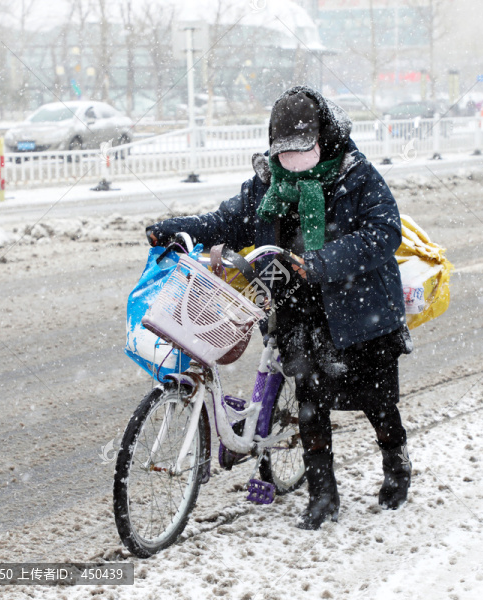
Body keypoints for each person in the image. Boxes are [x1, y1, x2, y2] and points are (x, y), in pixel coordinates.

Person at [146, 86, 413, 530]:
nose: (293, 158)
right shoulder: (268, 184)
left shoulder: (356, 176)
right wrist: (174, 228)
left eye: (303, 148)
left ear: (324, 138)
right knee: (309, 402)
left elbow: (385, 233)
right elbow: (224, 222)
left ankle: (396, 461)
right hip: (297, 309)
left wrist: (320, 262)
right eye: (284, 150)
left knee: (378, 403)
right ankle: (323, 494)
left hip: (358, 311)